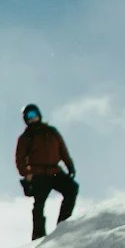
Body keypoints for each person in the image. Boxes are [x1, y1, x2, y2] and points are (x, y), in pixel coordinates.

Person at [15, 102, 78, 239]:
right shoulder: (25, 138)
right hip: (39, 175)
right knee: (39, 205)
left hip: (55, 171)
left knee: (72, 189)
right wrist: (27, 173)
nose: (32, 118)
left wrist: (70, 165)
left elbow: (62, 150)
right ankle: (38, 236)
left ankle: (63, 224)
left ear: (39, 114)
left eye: (34, 114)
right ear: (25, 119)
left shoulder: (51, 132)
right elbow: (19, 159)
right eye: (28, 116)